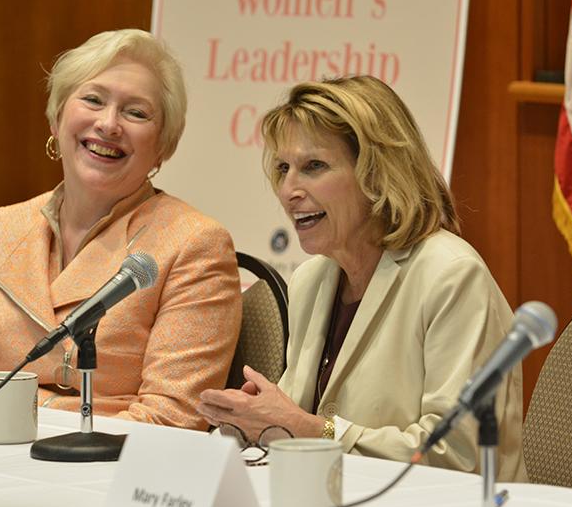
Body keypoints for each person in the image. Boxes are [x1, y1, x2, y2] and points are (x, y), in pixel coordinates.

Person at [197, 76, 526, 480]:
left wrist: (308, 429)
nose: (288, 190)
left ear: (377, 173)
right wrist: (253, 420)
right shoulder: (313, 279)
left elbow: (458, 455)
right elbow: (300, 421)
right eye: (283, 168)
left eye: (313, 166)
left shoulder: (452, 277)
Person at [0, 30, 242, 430]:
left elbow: (172, 418)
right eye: (93, 100)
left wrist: (25, 416)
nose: (109, 124)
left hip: (110, 472)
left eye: (136, 113)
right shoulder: (0, 229)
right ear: (57, 116)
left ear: (163, 145)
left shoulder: (194, 243)